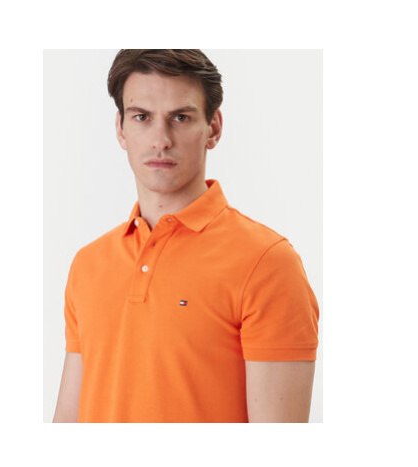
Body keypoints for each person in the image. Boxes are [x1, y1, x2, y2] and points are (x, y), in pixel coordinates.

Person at [53, 49, 320, 423]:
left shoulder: (267, 263)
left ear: (213, 128)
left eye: (180, 117)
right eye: (142, 117)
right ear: (121, 129)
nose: (161, 139)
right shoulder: (88, 263)